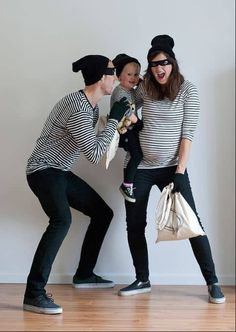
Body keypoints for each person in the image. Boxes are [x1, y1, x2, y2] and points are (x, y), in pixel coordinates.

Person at [118, 35, 225, 304]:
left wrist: (179, 171)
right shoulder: (145, 89)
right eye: (153, 64)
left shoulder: (188, 90)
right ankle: (142, 279)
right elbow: (127, 104)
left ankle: (212, 282)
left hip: (171, 169)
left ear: (173, 64)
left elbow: (187, 134)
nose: (158, 68)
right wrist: (126, 115)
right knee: (134, 225)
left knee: (193, 225)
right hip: (140, 168)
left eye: (163, 63)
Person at [23, 54, 130, 315]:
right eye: (112, 72)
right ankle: (34, 293)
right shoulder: (78, 108)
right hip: (43, 170)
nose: (116, 78)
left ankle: (84, 274)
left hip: (59, 171)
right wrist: (115, 120)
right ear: (100, 77)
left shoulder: (90, 106)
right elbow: (94, 154)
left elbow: (95, 144)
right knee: (61, 220)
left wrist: (116, 124)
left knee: (103, 213)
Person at [111, 54, 143, 203]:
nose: (133, 77)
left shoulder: (129, 90)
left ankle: (133, 179)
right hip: (122, 131)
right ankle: (127, 185)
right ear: (118, 76)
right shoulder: (119, 91)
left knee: (136, 152)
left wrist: (143, 86)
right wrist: (139, 123)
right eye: (129, 74)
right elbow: (128, 112)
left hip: (129, 129)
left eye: (136, 74)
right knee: (137, 155)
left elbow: (137, 102)